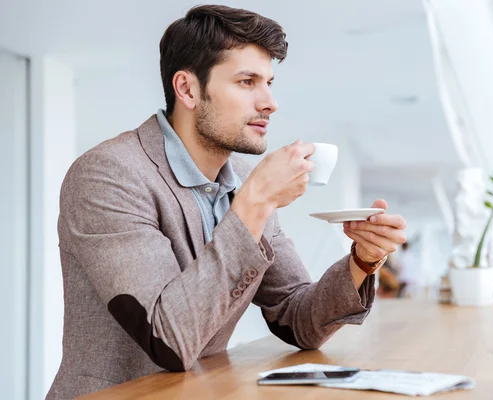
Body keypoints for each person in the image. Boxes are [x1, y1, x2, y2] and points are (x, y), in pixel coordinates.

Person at [46, 5, 407, 398]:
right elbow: (168, 339)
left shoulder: (245, 181)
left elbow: (298, 318)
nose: (270, 102)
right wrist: (254, 204)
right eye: (247, 81)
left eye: (268, 82)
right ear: (187, 89)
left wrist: (361, 261)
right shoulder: (108, 175)